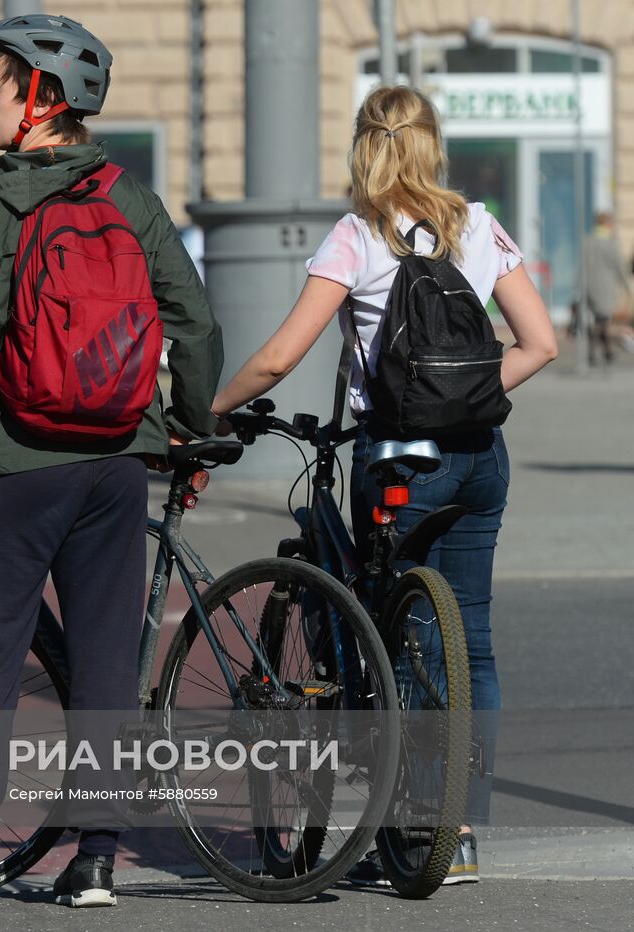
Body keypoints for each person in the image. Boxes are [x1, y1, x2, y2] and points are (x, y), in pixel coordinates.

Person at [0, 14, 221, 915]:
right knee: (108, 662)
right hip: (115, 464)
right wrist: (187, 434)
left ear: (39, 99)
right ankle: (97, 858)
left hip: (11, 465)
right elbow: (193, 325)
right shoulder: (133, 202)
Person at [210, 84, 559, 887]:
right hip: (479, 455)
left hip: (402, 460)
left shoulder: (356, 235)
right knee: (469, 639)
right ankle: (458, 830)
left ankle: (403, 814)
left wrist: (213, 409)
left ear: (366, 147)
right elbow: (540, 343)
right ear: (432, 143)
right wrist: (470, 393)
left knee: (394, 634)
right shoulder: (476, 224)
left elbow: (277, 358)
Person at [580, 211, 630, 365]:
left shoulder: (588, 240)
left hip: (590, 285)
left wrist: (579, 286)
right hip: (606, 287)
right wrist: (627, 285)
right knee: (603, 320)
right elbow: (619, 266)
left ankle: (601, 351)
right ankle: (600, 351)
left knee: (599, 319)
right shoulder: (610, 242)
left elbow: (583, 265)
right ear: (607, 224)